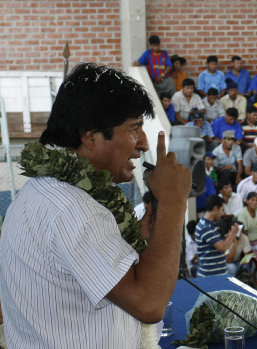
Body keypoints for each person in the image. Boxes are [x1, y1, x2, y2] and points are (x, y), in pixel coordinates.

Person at [0, 63, 190, 347]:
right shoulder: (74, 209)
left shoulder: (44, 191)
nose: (143, 143)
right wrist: (175, 201)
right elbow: (149, 304)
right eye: (134, 129)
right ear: (89, 136)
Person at [196, 195, 239, 277]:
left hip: (219, 275)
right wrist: (233, 233)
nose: (223, 213)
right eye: (222, 210)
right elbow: (222, 248)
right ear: (215, 208)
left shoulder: (214, 224)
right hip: (208, 277)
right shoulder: (205, 227)